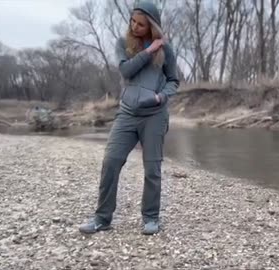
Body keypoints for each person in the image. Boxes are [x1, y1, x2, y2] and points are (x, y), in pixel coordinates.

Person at [79, 1, 179, 235]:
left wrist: (159, 98)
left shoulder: (168, 49)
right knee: (111, 161)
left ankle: (151, 218)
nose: (135, 27)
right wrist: (149, 50)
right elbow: (126, 71)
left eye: (141, 24)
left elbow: (174, 81)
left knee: (152, 168)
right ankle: (102, 218)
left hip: (154, 115)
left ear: (152, 26)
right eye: (133, 21)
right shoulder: (123, 44)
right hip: (127, 113)